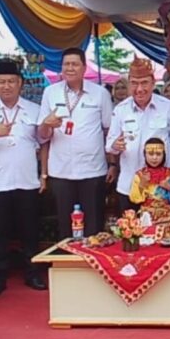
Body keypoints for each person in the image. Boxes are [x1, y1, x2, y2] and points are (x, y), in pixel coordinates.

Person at [0, 59, 47, 297]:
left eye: (11, 82)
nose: (6, 86)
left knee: (30, 230)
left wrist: (43, 173)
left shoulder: (33, 110)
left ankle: (32, 272)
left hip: (27, 181)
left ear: (20, 84)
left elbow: (44, 143)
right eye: (2, 82)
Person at [38, 48, 114, 239]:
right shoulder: (50, 92)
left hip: (93, 170)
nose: (69, 68)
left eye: (74, 64)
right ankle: (67, 263)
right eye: (66, 64)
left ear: (84, 67)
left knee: (93, 226)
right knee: (66, 225)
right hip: (61, 171)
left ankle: (91, 264)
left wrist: (113, 164)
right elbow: (42, 135)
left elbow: (109, 131)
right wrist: (47, 124)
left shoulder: (100, 93)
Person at [106, 58, 170, 214]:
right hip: (129, 186)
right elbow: (109, 145)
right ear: (129, 84)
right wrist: (115, 145)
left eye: (144, 83)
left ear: (153, 83)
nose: (139, 89)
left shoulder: (167, 107)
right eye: (134, 83)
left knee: (160, 233)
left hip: (160, 187)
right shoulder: (121, 110)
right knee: (130, 233)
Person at [129, 138, 170, 238]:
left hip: (167, 216)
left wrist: (169, 188)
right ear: (145, 155)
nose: (154, 158)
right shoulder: (140, 174)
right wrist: (142, 184)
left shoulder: (169, 173)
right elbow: (134, 198)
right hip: (147, 216)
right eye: (150, 154)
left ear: (164, 155)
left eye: (158, 154)